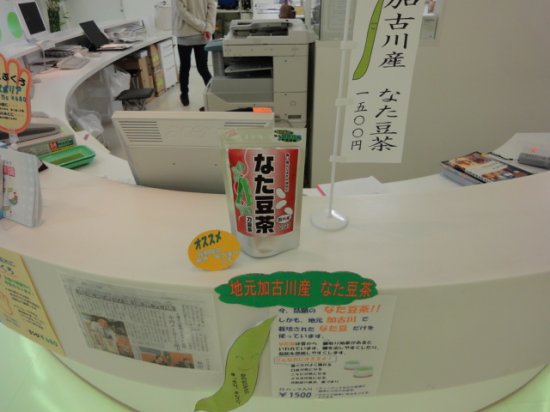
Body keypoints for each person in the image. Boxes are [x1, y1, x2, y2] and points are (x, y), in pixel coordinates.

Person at [172, 0, 217, 107]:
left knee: (185, 67)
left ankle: (184, 96)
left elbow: (182, 12)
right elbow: (212, 6)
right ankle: (214, 96)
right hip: (203, 33)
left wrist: (203, 27)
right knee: (203, 68)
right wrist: (207, 27)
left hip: (185, 33)